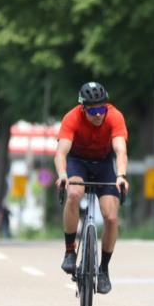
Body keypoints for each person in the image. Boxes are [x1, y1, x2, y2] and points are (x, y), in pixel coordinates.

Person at [54, 81, 129, 294]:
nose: (98, 115)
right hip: (78, 162)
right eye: (93, 110)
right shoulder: (72, 118)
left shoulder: (115, 116)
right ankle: (70, 251)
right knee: (74, 194)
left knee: (112, 218)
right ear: (83, 108)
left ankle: (103, 269)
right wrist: (62, 175)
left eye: (102, 109)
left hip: (104, 164)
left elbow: (120, 150)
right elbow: (61, 153)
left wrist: (121, 175)